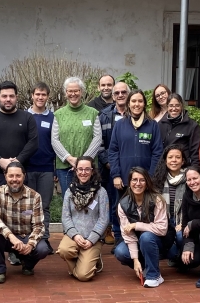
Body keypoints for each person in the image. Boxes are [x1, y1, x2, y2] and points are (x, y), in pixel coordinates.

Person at [0, 80, 39, 258]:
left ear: (16, 98)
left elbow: (33, 142)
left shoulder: (27, 118)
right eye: (4, 96)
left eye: (11, 96)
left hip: (18, 176)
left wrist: (16, 163)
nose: (8, 99)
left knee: (19, 213)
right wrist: (0, 161)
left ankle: (14, 250)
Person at [0, 162, 48, 284]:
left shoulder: (34, 196)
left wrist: (30, 244)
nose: (14, 179)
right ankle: (0, 270)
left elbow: (39, 226)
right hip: (6, 238)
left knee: (43, 248)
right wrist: (11, 237)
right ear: (5, 176)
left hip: (25, 238)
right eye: (11, 176)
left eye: (18, 176)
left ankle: (28, 264)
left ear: (24, 176)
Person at [114, 167, 169, 288]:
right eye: (134, 180)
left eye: (142, 180)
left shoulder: (157, 199)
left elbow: (162, 229)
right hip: (137, 241)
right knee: (120, 251)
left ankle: (154, 276)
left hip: (159, 241)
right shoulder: (123, 204)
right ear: (129, 182)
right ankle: (146, 267)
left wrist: (136, 225)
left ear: (147, 183)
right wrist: (135, 260)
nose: (138, 183)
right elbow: (128, 234)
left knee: (146, 237)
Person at [58, 156, 109, 281]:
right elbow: (65, 216)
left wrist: (91, 239)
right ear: (75, 171)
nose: (83, 172)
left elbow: (104, 219)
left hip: (93, 238)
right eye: (80, 169)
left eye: (87, 169)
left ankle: (92, 260)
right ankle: (86, 260)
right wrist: (75, 235)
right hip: (74, 236)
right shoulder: (70, 192)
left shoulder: (101, 192)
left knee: (83, 276)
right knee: (64, 250)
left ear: (92, 171)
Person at [52, 76, 102, 198]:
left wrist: (83, 162)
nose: (73, 94)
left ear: (81, 92)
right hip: (65, 168)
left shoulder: (92, 113)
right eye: (70, 91)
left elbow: (97, 138)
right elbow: (54, 140)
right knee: (69, 201)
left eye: (76, 91)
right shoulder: (58, 114)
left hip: (89, 168)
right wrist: (69, 158)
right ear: (65, 93)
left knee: (90, 200)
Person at [108, 89, 163, 195]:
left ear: (144, 104)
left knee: (147, 210)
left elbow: (157, 152)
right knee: (124, 210)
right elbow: (113, 151)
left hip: (146, 180)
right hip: (124, 181)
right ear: (128, 104)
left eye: (140, 101)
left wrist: (151, 176)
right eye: (133, 101)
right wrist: (116, 175)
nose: (136, 104)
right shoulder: (120, 125)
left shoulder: (153, 125)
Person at [98, 81, 130, 252]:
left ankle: (130, 236)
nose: (120, 95)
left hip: (132, 169)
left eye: (123, 92)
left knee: (131, 203)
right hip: (110, 169)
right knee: (115, 203)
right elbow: (100, 143)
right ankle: (118, 237)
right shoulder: (103, 115)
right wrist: (110, 163)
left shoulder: (136, 114)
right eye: (116, 93)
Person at [26, 82, 56, 254]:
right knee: (27, 206)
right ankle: (27, 237)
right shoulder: (24, 116)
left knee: (44, 206)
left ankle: (43, 239)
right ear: (32, 95)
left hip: (46, 168)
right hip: (27, 168)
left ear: (47, 97)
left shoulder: (52, 118)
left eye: (43, 95)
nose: (40, 97)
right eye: (37, 94)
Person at [151, 144, 189, 265]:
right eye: (170, 157)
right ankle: (173, 255)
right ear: (165, 160)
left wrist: (184, 223)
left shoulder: (190, 178)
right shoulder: (158, 178)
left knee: (180, 236)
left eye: (177, 157)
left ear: (183, 161)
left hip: (183, 219)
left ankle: (181, 259)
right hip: (164, 220)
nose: (174, 160)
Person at [158, 93, 200, 165]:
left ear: (182, 106)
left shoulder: (192, 126)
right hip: (164, 167)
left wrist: (194, 169)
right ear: (167, 107)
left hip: (183, 168)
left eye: (177, 105)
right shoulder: (160, 124)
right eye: (171, 106)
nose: (174, 109)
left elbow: (195, 152)